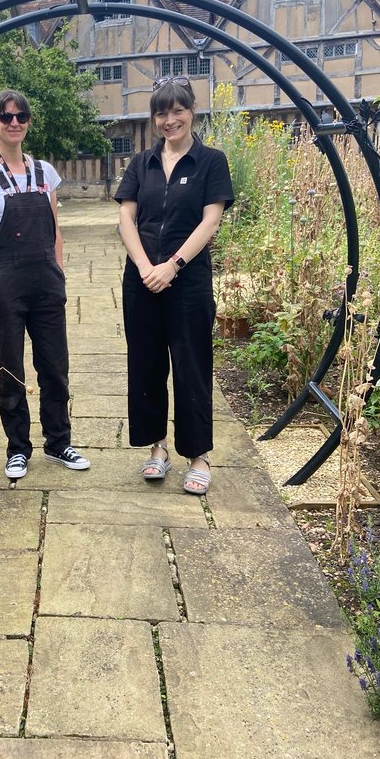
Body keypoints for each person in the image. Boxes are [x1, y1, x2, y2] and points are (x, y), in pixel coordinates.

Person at [0, 89, 90, 481]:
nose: (14, 123)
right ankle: (18, 449)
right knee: (11, 372)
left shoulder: (45, 173)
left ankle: (58, 443)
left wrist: (59, 272)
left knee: (55, 368)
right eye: (6, 116)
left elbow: (55, 229)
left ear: (28, 122)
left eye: (21, 116)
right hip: (5, 286)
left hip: (46, 283)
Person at [114, 76, 234, 494]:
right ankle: (157, 449)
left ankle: (198, 456)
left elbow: (210, 221)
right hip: (141, 279)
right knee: (145, 364)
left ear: (191, 112)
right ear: (154, 119)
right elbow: (126, 218)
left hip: (187, 282)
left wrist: (173, 265)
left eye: (177, 111)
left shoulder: (211, 161)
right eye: (161, 113)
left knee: (191, 365)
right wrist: (146, 266)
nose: (170, 120)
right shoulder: (141, 163)